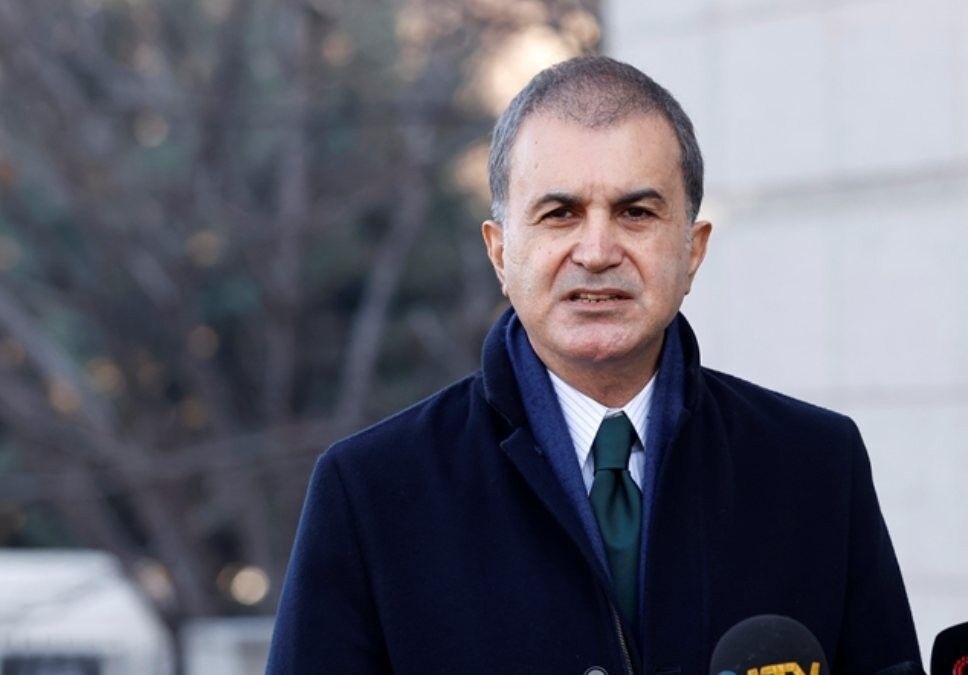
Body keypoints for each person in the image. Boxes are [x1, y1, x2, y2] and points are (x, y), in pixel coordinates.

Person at [267, 56, 921, 674]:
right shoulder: (370, 494)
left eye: (636, 212)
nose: (598, 250)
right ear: (500, 253)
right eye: (561, 214)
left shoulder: (817, 467)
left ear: (692, 250)